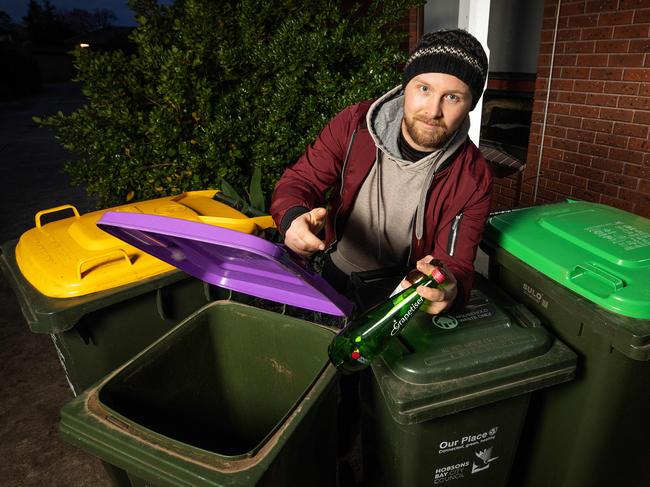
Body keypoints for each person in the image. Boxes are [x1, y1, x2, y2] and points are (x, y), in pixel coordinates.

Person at [271, 28, 492, 315]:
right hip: (332, 272)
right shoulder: (354, 125)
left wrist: (450, 289)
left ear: (470, 106)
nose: (433, 110)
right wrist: (292, 218)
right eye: (424, 89)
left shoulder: (473, 177)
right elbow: (301, 180)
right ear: (406, 87)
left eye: (452, 97)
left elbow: (455, 263)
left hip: (400, 296)